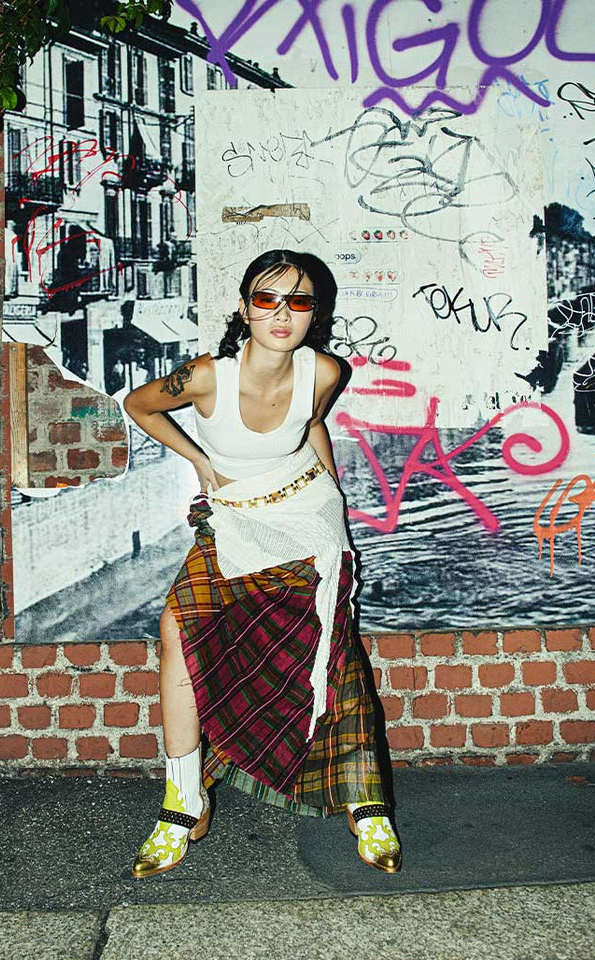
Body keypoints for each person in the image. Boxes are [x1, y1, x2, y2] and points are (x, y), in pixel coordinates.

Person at [123, 249, 401, 878]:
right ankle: (183, 802)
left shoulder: (325, 370)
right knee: (178, 629)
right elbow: (138, 405)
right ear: (245, 308)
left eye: (297, 301)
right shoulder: (206, 377)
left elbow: (313, 426)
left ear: (314, 313)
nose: (281, 313)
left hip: (306, 513)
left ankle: (366, 802)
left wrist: (335, 505)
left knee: (330, 642)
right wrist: (199, 461)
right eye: (267, 299)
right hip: (237, 516)